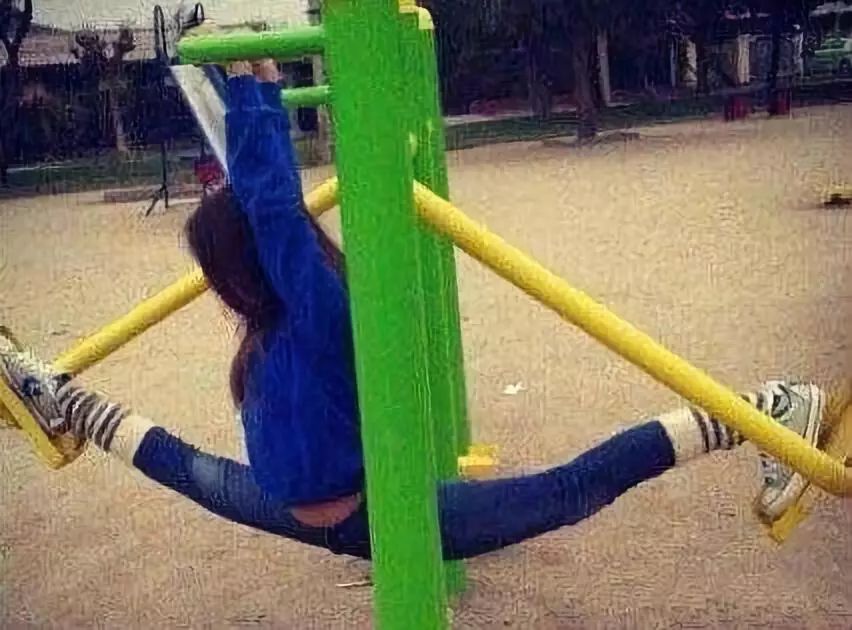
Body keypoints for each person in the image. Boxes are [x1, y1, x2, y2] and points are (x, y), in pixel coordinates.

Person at [0, 60, 827, 561]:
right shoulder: (267, 334)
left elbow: (274, 212)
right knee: (183, 468)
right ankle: (51, 390)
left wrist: (258, 95)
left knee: (570, 490)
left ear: (242, 271)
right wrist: (236, 98)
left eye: (214, 271)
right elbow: (266, 216)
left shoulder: (317, 311)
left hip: (380, 520)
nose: (212, 287)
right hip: (289, 508)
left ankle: (767, 410)